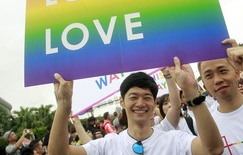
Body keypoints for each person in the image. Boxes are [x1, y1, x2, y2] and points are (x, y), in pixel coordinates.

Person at [48, 57, 223, 154]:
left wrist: (191, 91)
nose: (140, 103)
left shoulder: (174, 140)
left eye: (147, 97)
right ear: (122, 102)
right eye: (133, 97)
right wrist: (63, 105)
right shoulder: (106, 146)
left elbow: (213, 149)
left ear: (154, 103)